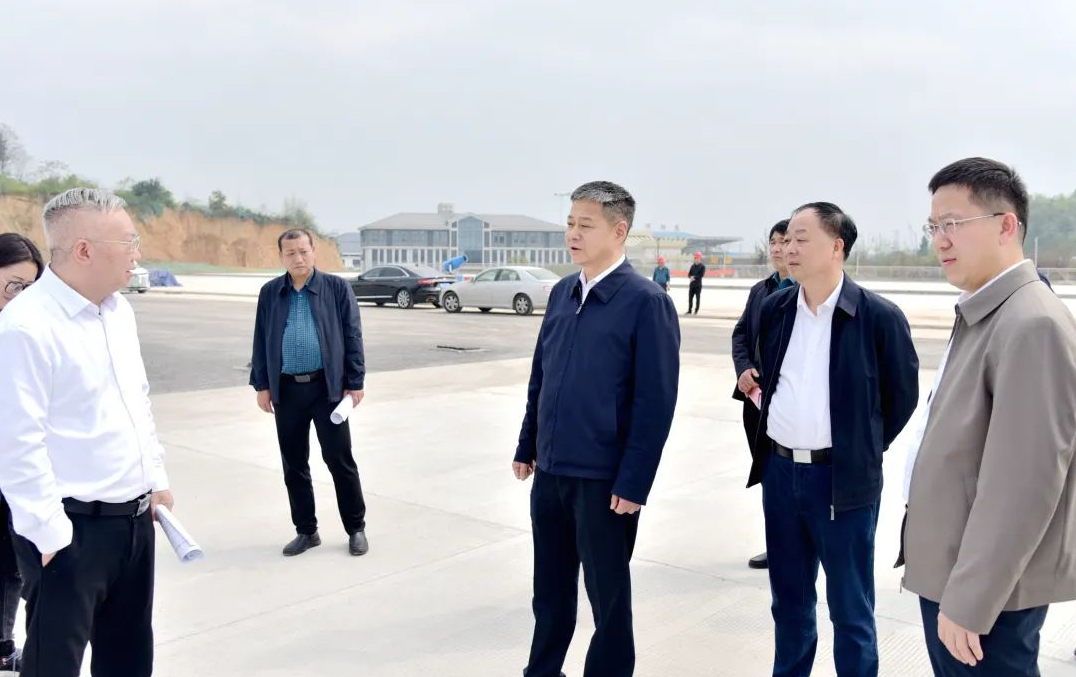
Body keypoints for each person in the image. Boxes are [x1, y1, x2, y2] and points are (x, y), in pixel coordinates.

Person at [900, 157, 1076, 677]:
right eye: (933, 226)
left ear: (1006, 226)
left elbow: (1024, 485)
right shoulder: (986, 310)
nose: (940, 240)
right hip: (956, 575)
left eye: (953, 223)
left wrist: (971, 600)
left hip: (984, 596)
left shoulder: (1030, 323)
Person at [0, 188, 175, 677]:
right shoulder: (26, 327)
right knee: (54, 664)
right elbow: (15, 443)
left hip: (133, 523)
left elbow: (136, 400)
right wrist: (49, 534)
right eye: (129, 241)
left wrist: (155, 478)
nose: (137, 253)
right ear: (84, 250)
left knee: (129, 659)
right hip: (70, 532)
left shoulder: (119, 312)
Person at [513, 181, 680, 677]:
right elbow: (541, 376)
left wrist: (634, 482)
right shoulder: (562, 293)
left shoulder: (646, 302)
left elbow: (655, 403)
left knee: (607, 599)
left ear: (619, 231)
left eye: (585, 225)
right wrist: (527, 443)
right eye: (570, 223)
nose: (573, 234)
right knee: (549, 591)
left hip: (604, 482)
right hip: (551, 472)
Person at [750, 202, 919, 677]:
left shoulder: (878, 317)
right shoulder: (776, 309)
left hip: (841, 483)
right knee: (789, 602)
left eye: (802, 238)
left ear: (837, 247)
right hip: (780, 474)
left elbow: (901, 398)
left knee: (850, 609)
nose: (789, 247)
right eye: (786, 239)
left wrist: (858, 448)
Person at [250, 228, 369, 557]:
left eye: (303, 251)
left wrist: (355, 381)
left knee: (339, 460)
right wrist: (262, 384)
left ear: (313, 251)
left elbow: (353, 334)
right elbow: (260, 338)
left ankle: (356, 528)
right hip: (287, 390)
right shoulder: (271, 293)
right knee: (294, 464)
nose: (298, 258)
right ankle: (306, 530)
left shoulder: (336, 288)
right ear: (282, 257)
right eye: (290, 253)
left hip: (327, 389)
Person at [730, 219, 794, 571]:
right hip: (756, 401)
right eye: (773, 242)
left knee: (792, 473)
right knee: (769, 472)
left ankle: (798, 545)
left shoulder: (807, 291)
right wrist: (743, 369)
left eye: (784, 241)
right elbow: (741, 334)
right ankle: (777, 544)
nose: (778, 248)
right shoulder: (760, 290)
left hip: (789, 403)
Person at [0, 232, 45, 673]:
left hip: (14, 469)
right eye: (13, 285)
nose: (20, 297)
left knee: (14, 565)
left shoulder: (27, 330)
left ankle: (3, 643)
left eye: (30, 288)